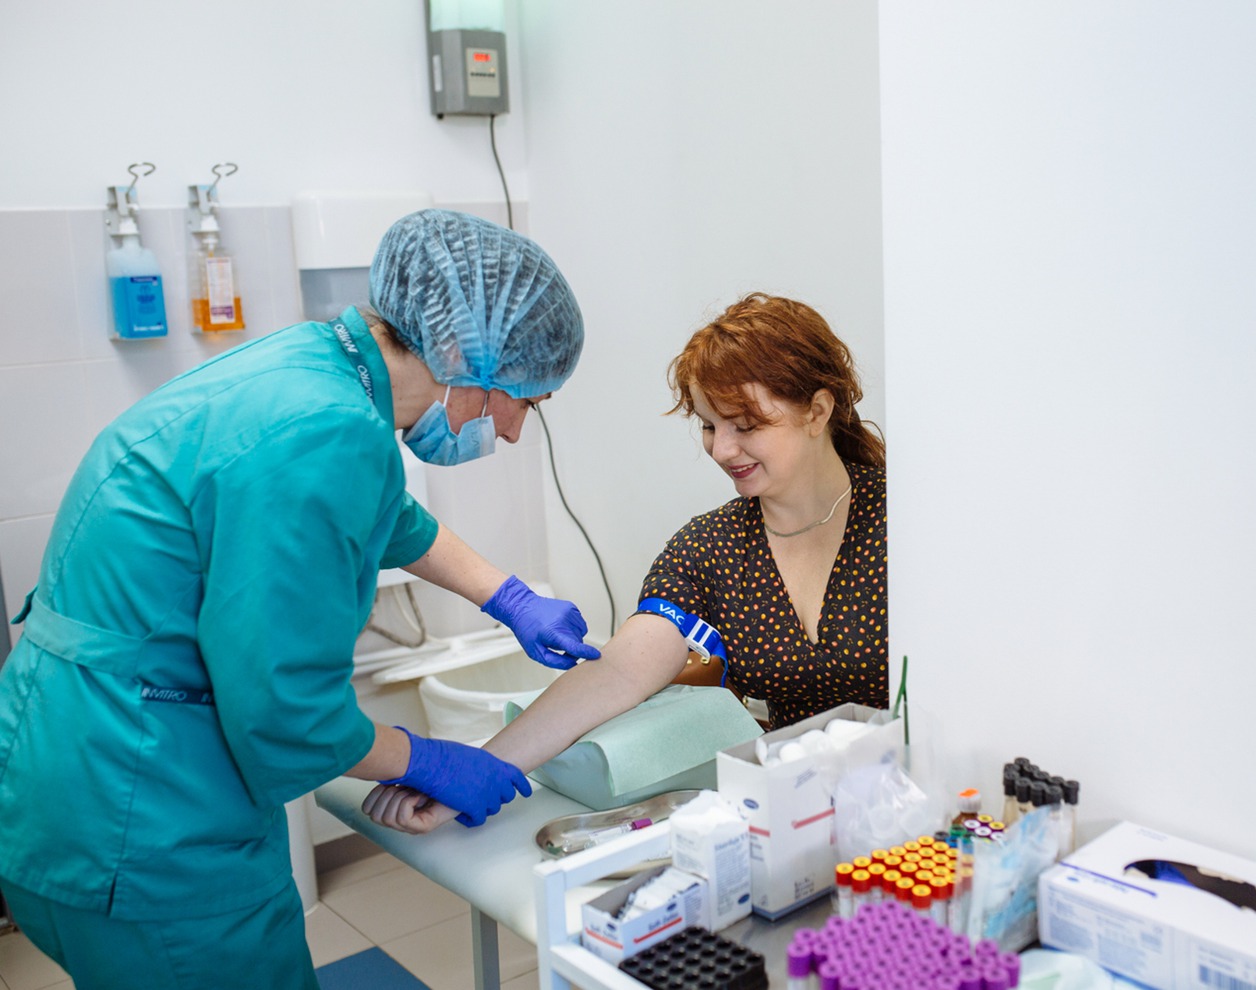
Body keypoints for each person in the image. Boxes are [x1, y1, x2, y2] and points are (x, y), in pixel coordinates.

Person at [0, 209, 601, 990]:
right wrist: (428, 760)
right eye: (527, 398)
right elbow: (289, 716)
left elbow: (382, 513)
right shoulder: (324, 431)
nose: (514, 430)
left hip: (60, 770)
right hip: (144, 819)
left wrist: (507, 596)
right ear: (460, 354)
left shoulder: (311, 367)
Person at [364, 291, 886, 833]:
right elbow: (617, 673)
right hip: (797, 810)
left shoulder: (907, 524)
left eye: (745, 425)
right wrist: (481, 766)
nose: (722, 450)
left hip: (917, 794)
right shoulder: (712, 548)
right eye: (710, 426)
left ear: (817, 411)